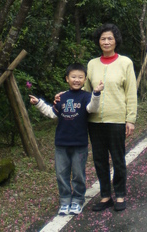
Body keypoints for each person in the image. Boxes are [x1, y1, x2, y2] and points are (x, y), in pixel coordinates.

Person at [29, 63, 104, 216]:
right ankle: (64, 201)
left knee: (78, 174)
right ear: (67, 79)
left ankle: (77, 201)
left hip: (80, 144)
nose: (77, 80)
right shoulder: (62, 97)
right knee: (61, 174)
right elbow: (52, 113)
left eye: (80, 77)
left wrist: (96, 94)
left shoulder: (86, 96)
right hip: (61, 144)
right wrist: (39, 104)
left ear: (85, 80)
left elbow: (93, 109)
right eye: (73, 77)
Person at [84, 23, 137, 212]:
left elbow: (131, 92)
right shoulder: (91, 64)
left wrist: (130, 119)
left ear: (116, 41)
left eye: (110, 38)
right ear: (98, 41)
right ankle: (105, 196)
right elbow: (85, 92)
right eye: (103, 38)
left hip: (116, 121)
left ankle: (120, 194)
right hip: (95, 122)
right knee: (99, 159)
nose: (106, 42)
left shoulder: (125, 63)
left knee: (117, 158)